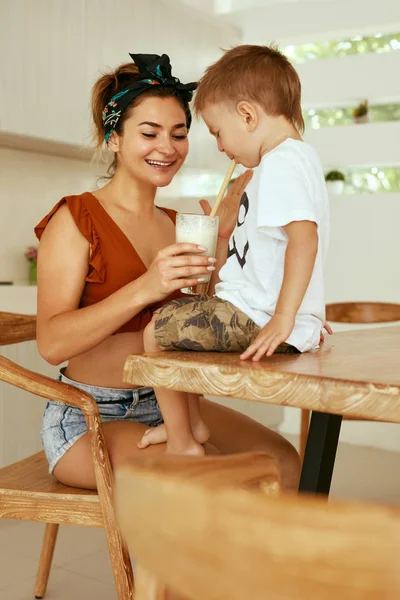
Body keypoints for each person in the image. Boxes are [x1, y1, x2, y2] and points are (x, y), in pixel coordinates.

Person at [34, 52, 301, 492]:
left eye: (179, 134)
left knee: (284, 462)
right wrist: (145, 287)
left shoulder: (181, 226)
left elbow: (205, 316)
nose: (168, 147)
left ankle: (266, 562)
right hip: (93, 415)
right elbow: (51, 343)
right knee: (210, 479)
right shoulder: (76, 217)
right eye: (149, 132)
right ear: (113, 138)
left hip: (175, 407)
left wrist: (222, 239)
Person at [139, 45, 331, 459]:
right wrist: (304, 313)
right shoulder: (295, 162)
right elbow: (283, 249)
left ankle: (183, 439)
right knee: (179, 330)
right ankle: (192, 424)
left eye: (217, 132)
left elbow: (304, 240)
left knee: (153, 333)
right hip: (266, 313)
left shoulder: (280, 163)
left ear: (247, 115)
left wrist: (285, 318)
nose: (221, 147)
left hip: (258, 317)